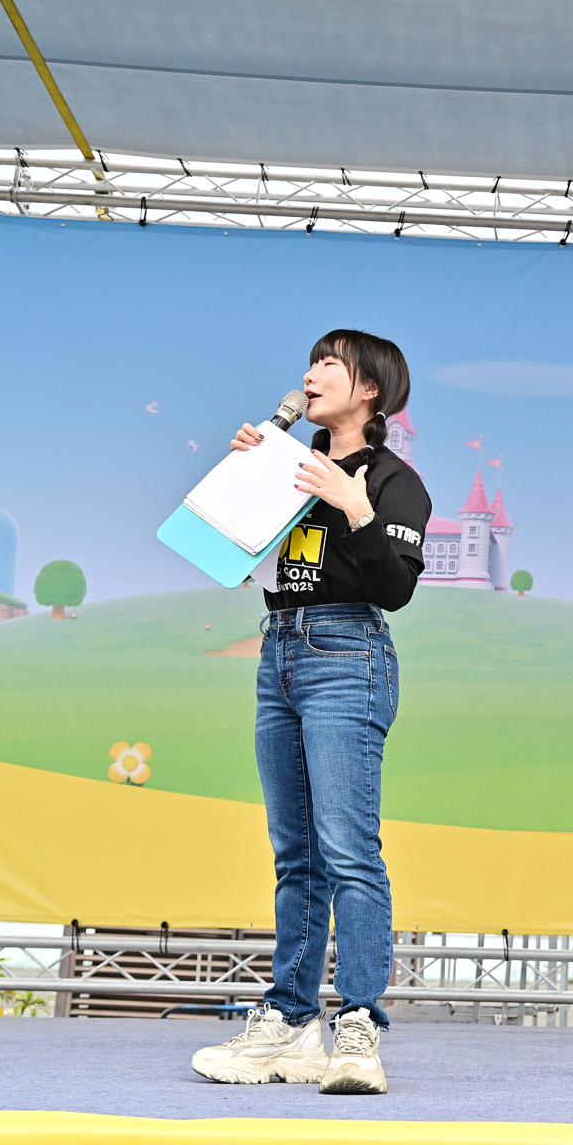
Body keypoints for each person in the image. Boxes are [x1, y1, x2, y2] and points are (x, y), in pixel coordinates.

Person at [191, 330, 432, 1095]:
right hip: (281, 650)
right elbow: (229, 557)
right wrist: (242, 477)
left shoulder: (393, 481)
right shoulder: (283, 462)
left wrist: (355, 505)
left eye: (330, 363)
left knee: (349, 851)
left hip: (347, 652)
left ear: (371, 388)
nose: (311, 373)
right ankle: (290, 1025)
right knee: (296, 854)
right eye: (312, 362)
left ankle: (358, 1026)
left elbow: (395, 588)